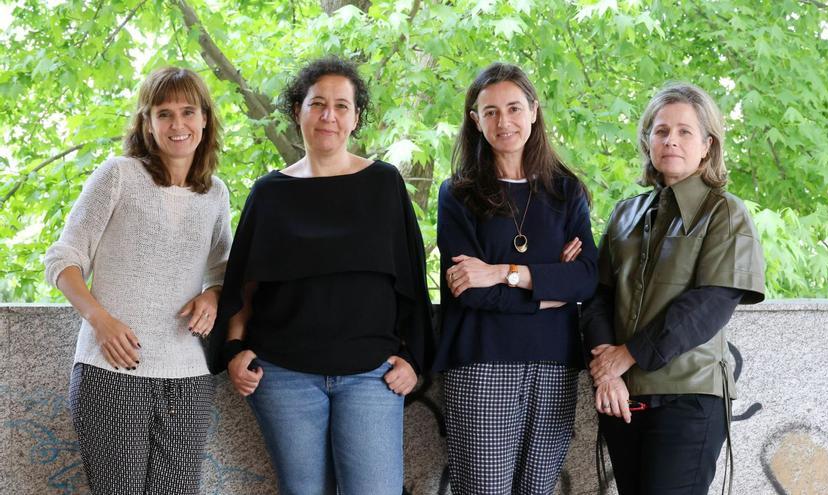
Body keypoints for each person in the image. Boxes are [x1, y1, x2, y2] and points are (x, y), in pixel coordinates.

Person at [207, 56, 434, 495]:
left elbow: (410, 279)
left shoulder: (384, 185)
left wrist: (414, 359)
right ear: (298, 112)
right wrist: (234, 349)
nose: (329, 116)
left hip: (371, 374)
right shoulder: (269, 194)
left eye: (342, 106)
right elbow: (244, 286)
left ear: (356, 118)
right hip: (283, 376)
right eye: (317, 104)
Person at [44, 67, 231, 494]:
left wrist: (214, 295)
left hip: (188, 375)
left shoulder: (215, 193)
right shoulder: (118, 176)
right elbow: (62, 259)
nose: (177, 124)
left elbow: (222, 270)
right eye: (163, 113)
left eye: (188, 111)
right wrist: (100, 320)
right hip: (111, 371)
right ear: (146, 123)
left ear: (205, 119)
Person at [581, 82, 765, 495]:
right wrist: (606, 375)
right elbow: (597, 299)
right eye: (661, 131)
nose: (671, 140)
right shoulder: (625, 214)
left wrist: (626, 355)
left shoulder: (726, 214)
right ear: (647, 142)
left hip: (689, 400)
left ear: (708, 145)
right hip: (622, 397)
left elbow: (711, 304)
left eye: (684, 131)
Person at [434, 62, 598, 494]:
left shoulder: (567, 191)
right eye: (490, 112)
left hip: (554, 366)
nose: (503, 121)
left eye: (513, 108)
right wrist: (549, 289)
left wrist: (501, 272)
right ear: (475, 120)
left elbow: (585, 278)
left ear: (534, 111)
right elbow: (469, 291)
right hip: (481, 363)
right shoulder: (458, 194)